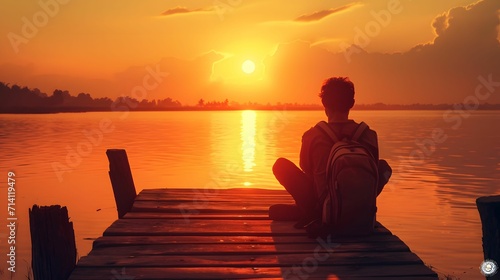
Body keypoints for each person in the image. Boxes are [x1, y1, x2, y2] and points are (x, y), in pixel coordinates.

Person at [271, 77, 391, 228]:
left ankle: (312, 213)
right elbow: (371, 173)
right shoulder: (369, 135)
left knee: (280, 166)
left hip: (321, 204)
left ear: (324, 104)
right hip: (359, 206)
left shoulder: (312, 136)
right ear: (352, 104)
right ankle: (356, 209)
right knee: (384, 167)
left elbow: (307, 171)